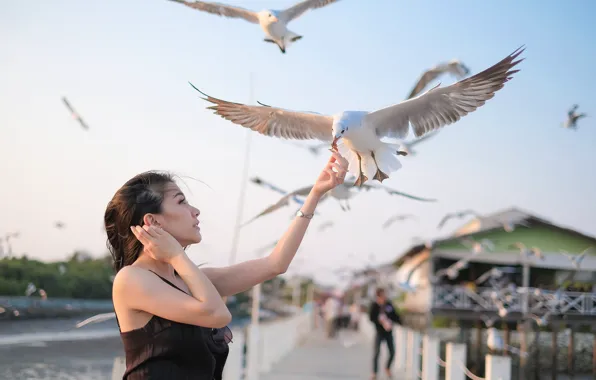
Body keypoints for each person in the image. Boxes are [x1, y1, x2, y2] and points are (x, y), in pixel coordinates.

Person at [107, 150, 349, 379]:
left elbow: (275, 263)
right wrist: (177, 256)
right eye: (182, 202)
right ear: (152, 222)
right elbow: (217, 314)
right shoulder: (132, 279)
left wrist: (315, 194)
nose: (196, 211)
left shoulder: (194, 281)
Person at [368, 288, 401, 380]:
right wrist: (379, 321)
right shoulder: (374, 305)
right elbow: (371, 318)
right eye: (383, 295)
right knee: (376, 353)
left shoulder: (389, 304)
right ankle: (374, 373)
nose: (384, 296)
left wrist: (400, 322)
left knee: (392, 352)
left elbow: (395, 316)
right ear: (378, 296)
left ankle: (387, 367)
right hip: (379, 332)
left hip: (388, 332)